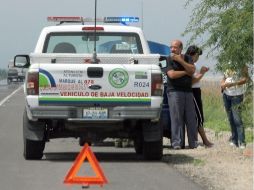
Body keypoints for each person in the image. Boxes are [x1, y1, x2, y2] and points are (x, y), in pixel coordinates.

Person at [166, 40, 197, 149]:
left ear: (180, 49)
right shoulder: (169, 59)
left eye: (174, 47)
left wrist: (181, 61)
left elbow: (193, 70)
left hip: (188, 91)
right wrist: (185, 72)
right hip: (174, 91)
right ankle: (177, 143)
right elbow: (172, 74)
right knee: (177, 118)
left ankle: (193, 143)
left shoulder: (188, 58)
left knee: (191, 118)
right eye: (171, 47)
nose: (172, 49)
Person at [185, 45, 213, 147]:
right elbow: (191, 82)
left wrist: (202, 73)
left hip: (196, 90)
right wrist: (202, 73)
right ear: (194, 54)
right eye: (197, 55)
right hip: (193, 91)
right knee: (199, 117)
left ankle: (197, 140)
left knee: (197, 117)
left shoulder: (192, 64)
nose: (198, 58)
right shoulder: (190, 65)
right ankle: (204, 141)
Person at [220, 65, 249, 149]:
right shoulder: (228, 63)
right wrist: (222, 84)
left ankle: (242, 142)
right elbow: (224, 77)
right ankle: (234, 140)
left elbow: (245, 79)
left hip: (237, 96)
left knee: (237, 119)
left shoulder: (242, 64)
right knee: (231, 118)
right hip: (226, 95)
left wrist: (232, 84)